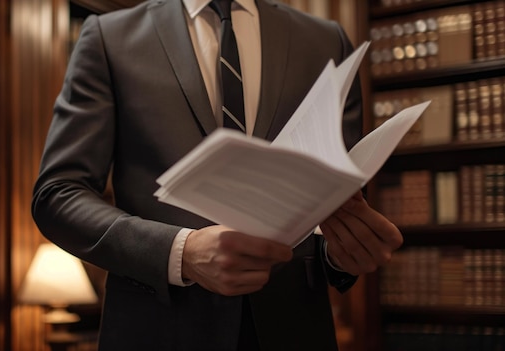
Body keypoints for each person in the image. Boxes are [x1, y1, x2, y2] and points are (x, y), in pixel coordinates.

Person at [31, 0, 403, 349]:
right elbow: (58, 195)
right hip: (157, 332)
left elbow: (333, 206)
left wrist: (343, 252)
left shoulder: (326, 41)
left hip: (295, 332)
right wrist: (181, 253)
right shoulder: (109, 38)